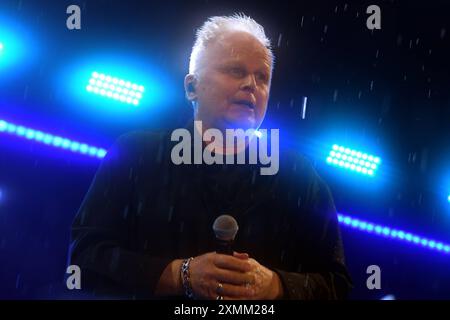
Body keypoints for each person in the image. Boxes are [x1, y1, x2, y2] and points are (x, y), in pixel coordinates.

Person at [69, 13, 352, 300]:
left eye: (262, 77)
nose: (251, 85)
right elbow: (83, 259)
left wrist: (275, 285)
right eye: (235, 71)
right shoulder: (135, 154)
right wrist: (178, 275)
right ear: (192, 87)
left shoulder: (298, 175)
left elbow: (337, 285)